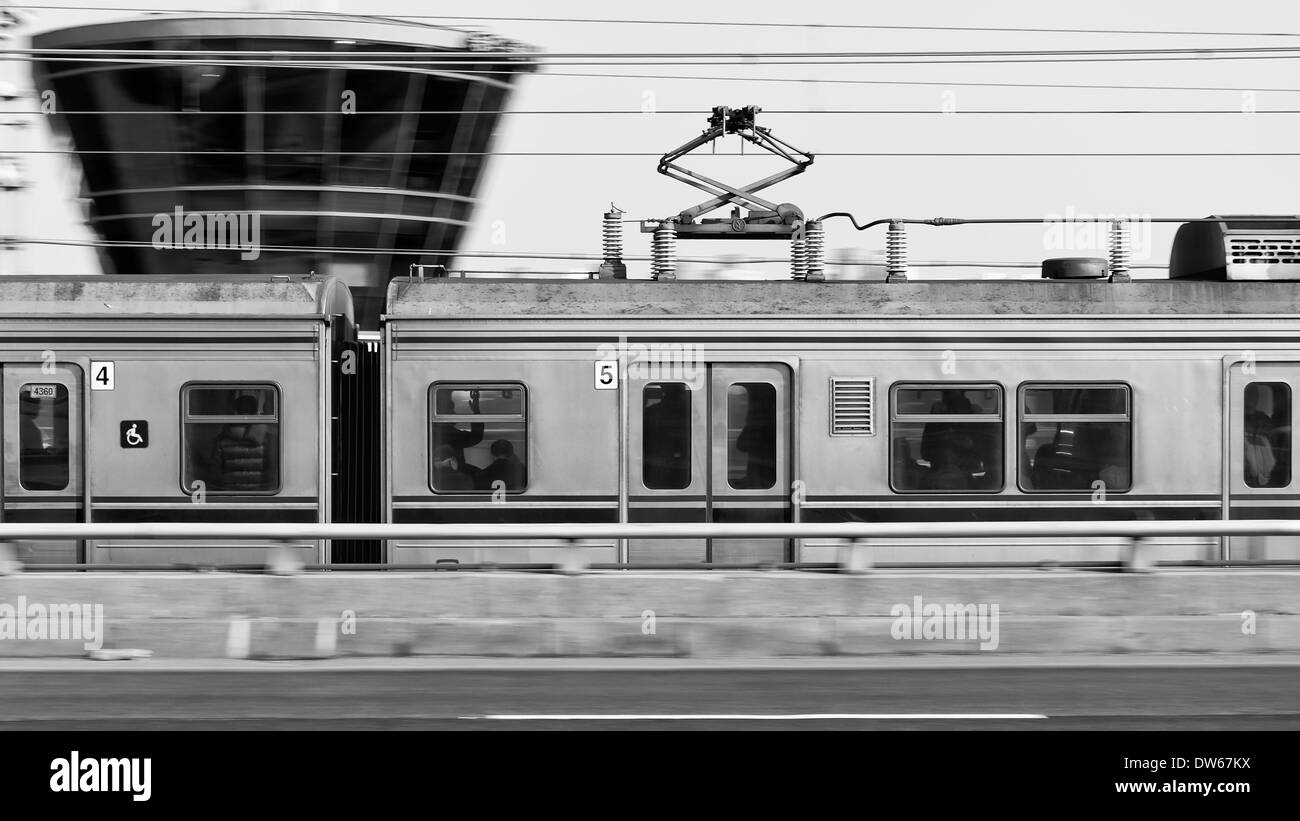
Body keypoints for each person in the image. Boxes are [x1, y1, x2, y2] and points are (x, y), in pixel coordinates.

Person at [211, 394, 268, 491]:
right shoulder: (267, 439)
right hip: (260, 495)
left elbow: (215, 473)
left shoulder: (221, 440)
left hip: (230, 495)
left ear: (236, 412)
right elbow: (270, 472)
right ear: (254, 413)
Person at [643, 383, 691, 488]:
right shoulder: (689, 411)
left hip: (655, 468)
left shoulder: (652, 411)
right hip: (682, 468)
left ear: (664, 392)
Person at [433, 389, 484, 485]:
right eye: (451, 411)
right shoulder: (449, 433)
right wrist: (476, 410)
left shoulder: (433, 431)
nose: (455, 414)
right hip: (453, 478)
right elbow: (476, 437)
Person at [1244, 384, 1278, 486]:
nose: (1251, 398)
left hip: (1263, 471)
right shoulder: (1233, 416)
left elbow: (1274, 443)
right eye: (1248, 394)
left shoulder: (1264, 419)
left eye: (1254, 394)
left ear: (1257, 398)